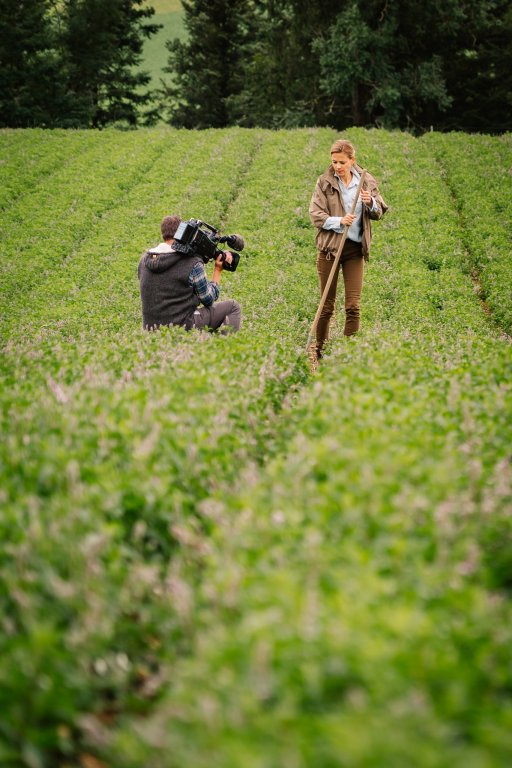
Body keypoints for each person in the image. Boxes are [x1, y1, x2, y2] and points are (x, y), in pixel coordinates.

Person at [309, 138, 388, 358]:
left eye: (342, 162)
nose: (338, 166)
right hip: (329, 252)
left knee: (353, 305)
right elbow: (316, 215)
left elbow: (380, 211)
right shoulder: (324, 183)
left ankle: (348, 353)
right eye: (334, 162)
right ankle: (321, 352)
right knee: (326, 306)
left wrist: (370, 202)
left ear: (352, 161)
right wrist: (339, 221)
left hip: (354, 251)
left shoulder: (365, 181)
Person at [138, 214, 242, 333]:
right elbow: (208, 299)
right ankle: (221, 348)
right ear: (184, 233)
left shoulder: (144, 261)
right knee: (233, 307)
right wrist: (217, 270)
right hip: (182, 326)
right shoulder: (192, 263)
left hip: (150, 329)